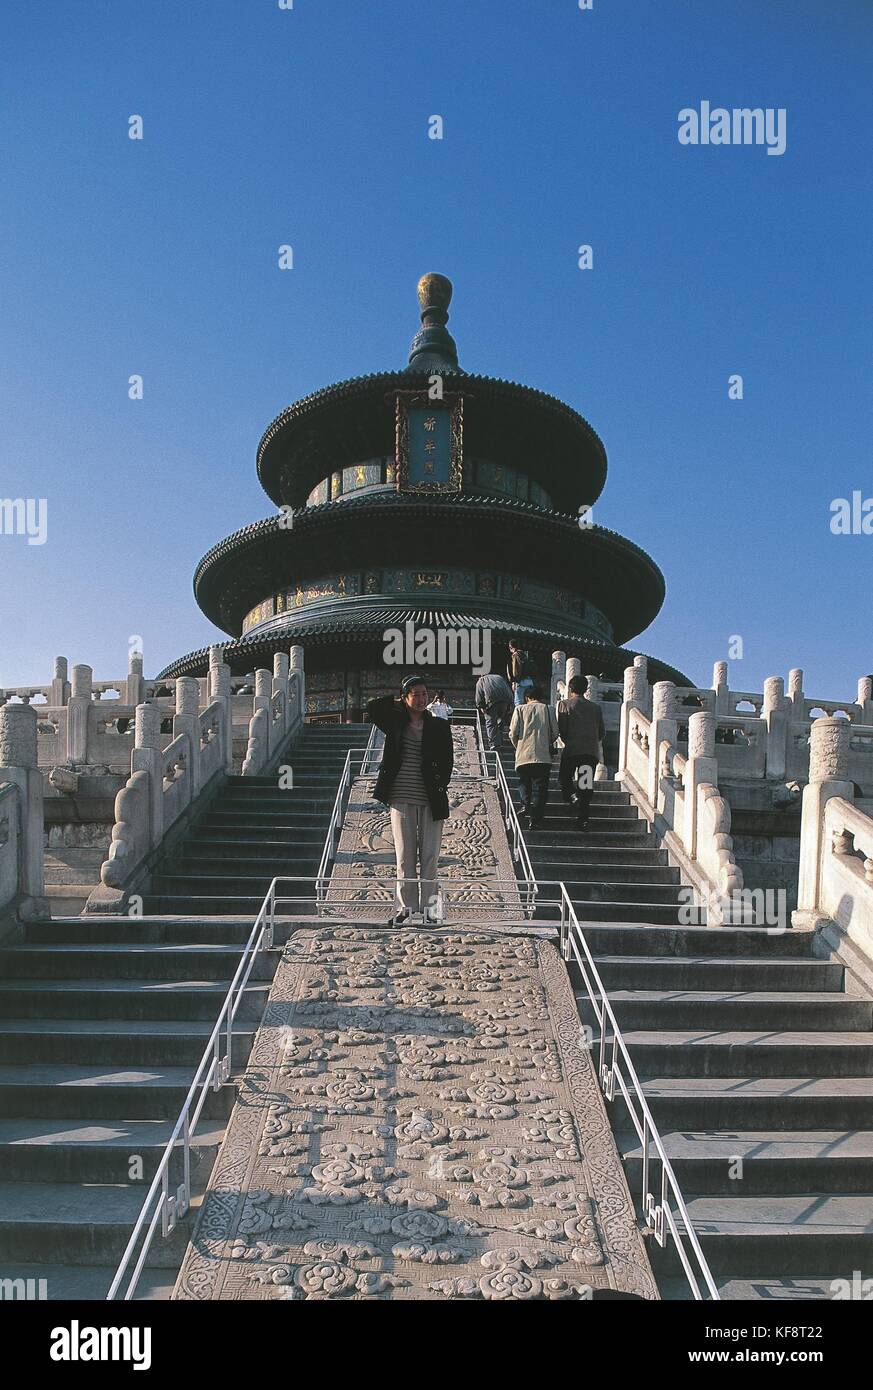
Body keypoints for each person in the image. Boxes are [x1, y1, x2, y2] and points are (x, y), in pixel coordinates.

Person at [365, 675, 454, 926]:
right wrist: (399, 701)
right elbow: (372, 708)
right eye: (415, 694)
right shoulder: (395, 722)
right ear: (405, 697)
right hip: (400, 796)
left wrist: (438, 785)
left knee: (430, 858)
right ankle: (406, 909)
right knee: (404, 857)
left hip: (430, 798)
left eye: (425, 693)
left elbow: (448, 761)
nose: (422, 698)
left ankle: (432, 911)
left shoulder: (439, 725)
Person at [556, 674, 605, 829]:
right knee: (585, 785)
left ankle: (572, 796)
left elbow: (562, 729)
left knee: (564, 778)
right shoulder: (596, 708)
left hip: (572, 750)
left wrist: (568, 741)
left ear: (570, 689)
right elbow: (601, 732)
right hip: (589, 752)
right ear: (586, 689)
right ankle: (583, 819)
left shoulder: (564, 704)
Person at [509, 684, 558, 829]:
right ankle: (535, 821)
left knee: (524, 782)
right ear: (541, 696)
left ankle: (524, 804)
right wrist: (546, 742)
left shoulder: (519, 709)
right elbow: (555, 733)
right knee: (540, 789)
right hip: (543, 757)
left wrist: (518, 746)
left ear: (527, 697)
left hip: (524, 755)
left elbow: (512, 733)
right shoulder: (549, 710)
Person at [474, 671, 514, 750]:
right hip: (505, 700)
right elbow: (507, 688)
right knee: (500, 720)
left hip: (492, 701)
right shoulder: (499, 677)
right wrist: (510, 703)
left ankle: (493, 743)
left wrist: (482, 707)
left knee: (491, 722)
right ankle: (499, 741)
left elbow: (479, 696)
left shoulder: (481, 680)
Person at [507, 639, 535, 707]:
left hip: (520, 682)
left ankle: (520, 717)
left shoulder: (516, 655)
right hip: (529, 681)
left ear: (511, 646)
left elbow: (516, 670)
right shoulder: (525, 655)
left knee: (518, 704)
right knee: (529, 703)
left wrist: (514, 682)